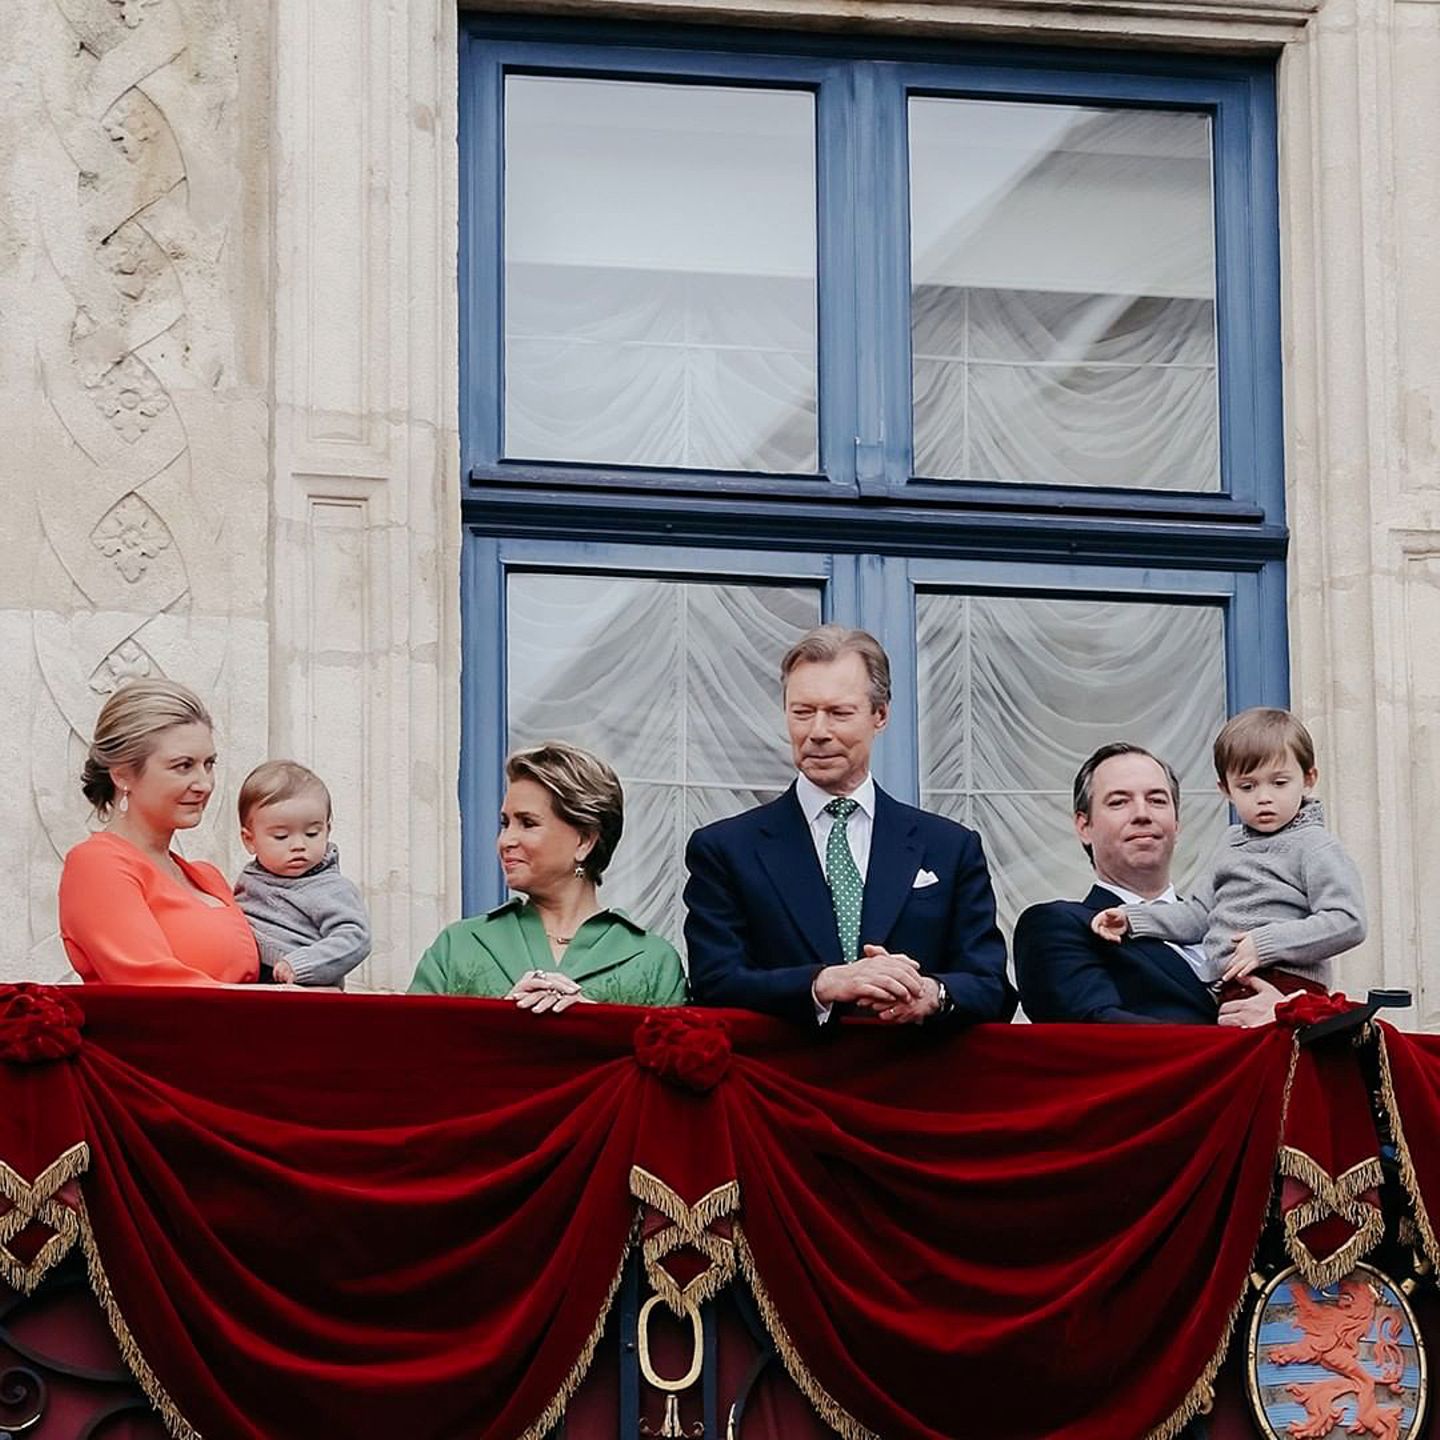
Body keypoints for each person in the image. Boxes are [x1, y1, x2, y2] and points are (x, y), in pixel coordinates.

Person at [683, 625, 1014, 1028]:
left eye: (839, 713)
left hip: (913, 1083)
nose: (818, 732)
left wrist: (933, 994)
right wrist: (823, 984)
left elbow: (990, 985)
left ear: (881, 715)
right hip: (781, 1082)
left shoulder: (949, 847)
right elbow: (714, 982)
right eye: (802, 712)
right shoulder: (725, 849)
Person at [1090, 709, 1365, 994]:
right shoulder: (1230, 844)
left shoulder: (1315, 845)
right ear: (1226, 789)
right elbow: (1199, 915)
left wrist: (1266, 943)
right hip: (1228, 987)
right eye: (1247, 786)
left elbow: (1348, 920)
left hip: (1290, 985)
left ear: (1308, 778)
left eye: (1279, 783)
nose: (1264, 798)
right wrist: (1133, 919)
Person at [1013, 743, 1288, 1026]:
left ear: (1177, 824)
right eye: (1119, 802)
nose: (1142, 814)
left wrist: (1288, 1013)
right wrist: (1246, 1037)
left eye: (1157, 800)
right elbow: (1099, 1032)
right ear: (1084, 827)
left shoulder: (1227, 922)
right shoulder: (1059, 926)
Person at [410, 741, 686, 1008]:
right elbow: (410, 1048)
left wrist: (599, 1026)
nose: (506, 840)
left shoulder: (654, 960)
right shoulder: (458, 944)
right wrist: (500, 1022)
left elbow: (677, 1054)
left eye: (528, 823)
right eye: (505, 824)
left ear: (584, 841)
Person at [58, 679, 260, 986]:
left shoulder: (208, 877)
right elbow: (153, 986)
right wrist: (293, 995)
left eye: (209, 764)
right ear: (123, 774)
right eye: (183, 766)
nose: (204, 784)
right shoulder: (97, 864)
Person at [233, 761, 371, 988]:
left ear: (327, 829)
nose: (299, 845)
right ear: (250, 840)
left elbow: (355, 937)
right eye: (281, 836)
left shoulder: (331, 888)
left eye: (311, 833)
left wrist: (303, 964)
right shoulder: (249, 881)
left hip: (305, 987)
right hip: (252, 985)